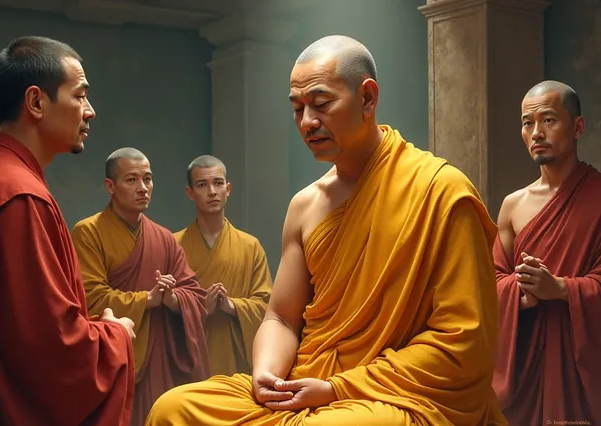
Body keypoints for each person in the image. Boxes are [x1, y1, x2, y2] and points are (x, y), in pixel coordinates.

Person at [145, 35, 506, 426]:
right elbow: (282, 318)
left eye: (321, 104)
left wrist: (338, 388)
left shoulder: (441, 191)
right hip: (308, 379)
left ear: (367, 99)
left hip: (397, 393)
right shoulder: (306, 205)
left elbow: (463, 343)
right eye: (297, 108)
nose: (307, 122)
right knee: (173, 408)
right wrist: (267, 375)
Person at [0, 36, 136, 426]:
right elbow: (48, 350)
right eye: (80, 96)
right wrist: (114, 337)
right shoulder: (15, 196)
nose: (90, 111)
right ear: (36, 102)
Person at [71, 147, 209, 426]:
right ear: (110, 186)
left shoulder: (164, 238)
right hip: (117, 357)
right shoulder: (88, 232)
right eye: (132, 180)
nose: (143, 188)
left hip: (160, 358)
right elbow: (91, 298)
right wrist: (147, 298)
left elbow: (195, 294)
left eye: (148, 179)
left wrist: (172, 299)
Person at [492, 80, 601, 425]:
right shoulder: (513, 205)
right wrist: (521, 295)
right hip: (526, 365)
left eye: (549, 120)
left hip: (582, 368)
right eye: (528, 123)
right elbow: (489, 282)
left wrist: (561, 289)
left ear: (578, 127)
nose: (536, 132)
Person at [174, 155, 272, 376]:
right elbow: (164, 313)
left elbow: (267, 307)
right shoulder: (174, 246)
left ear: (228, 189)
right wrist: (198, 310)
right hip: (190, 360)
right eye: (202, 185)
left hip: (237, 361)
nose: (211, 191)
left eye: (218, 183)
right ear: (190, 193)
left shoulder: (250, 246)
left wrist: (232, 306)